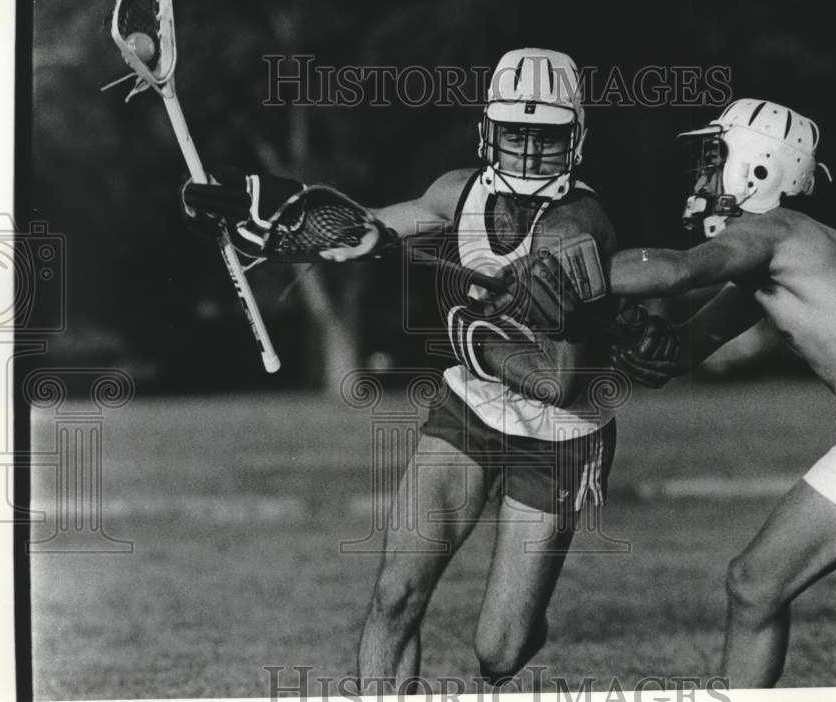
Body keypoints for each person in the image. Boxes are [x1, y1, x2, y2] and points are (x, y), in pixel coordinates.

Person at [182, 49, 619, 689]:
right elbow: (366, 230)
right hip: (470, 407)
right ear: (488, 130)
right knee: (395, 595)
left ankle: (523, 619)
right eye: (515, 131)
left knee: (499, 652)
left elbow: (559, 379)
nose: (527, 150)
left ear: (575, 139)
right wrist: (264, 218)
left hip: (559, 434)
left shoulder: (579, 225)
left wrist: (474, 340)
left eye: (545, 136)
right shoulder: (457, 191)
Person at [606, 99, 836, 686]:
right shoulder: (764, 260)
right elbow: (678, 353)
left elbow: (676, 270)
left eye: (714, 158)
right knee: (754, 585)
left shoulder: (775, 232)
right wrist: (631, 336)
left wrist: (567, 264)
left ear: (759, 167)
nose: (702, 177)